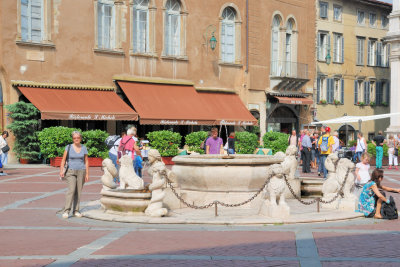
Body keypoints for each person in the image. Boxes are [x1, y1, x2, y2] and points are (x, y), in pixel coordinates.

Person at [59, 131, 89, 219]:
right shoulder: (68, 147)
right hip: (70, 171)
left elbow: (86, 161)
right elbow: (63, 160)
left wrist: (87, 173)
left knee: (78, 192)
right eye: (74, 138)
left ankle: (76, 210)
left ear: (80, 138)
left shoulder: (84, 148)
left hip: (81, 171)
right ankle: (66, 210)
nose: (76, 139)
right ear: (73, 139)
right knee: (71, 190)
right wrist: (61, 170)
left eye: (78, 138)